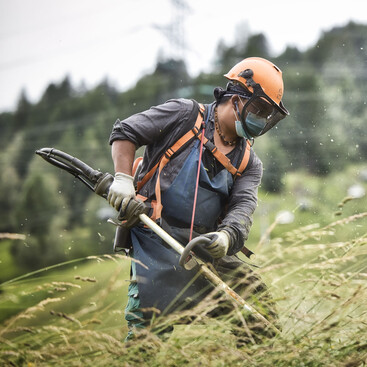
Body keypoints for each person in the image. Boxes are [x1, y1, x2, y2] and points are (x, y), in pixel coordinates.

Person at [107, 57, 289, 341]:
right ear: (237, 98)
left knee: (260, 318)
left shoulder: (249, 163)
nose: (262, 119)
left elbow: (243, 208)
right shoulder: (183, 115)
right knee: (147, 335)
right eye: (259, 109)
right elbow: (125, 133)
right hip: (155, 238)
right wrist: (122, 178)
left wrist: (228, 237)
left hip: (203, 247)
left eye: (268, 115)